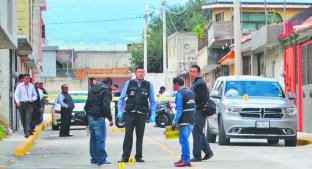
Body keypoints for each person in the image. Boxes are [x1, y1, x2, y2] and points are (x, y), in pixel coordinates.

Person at [117, 66, 156, 163]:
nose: (141, 73)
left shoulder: (148, 85)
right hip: (129, 113)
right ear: (135, 73)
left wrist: (153, 114)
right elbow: (121, 98)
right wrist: (120, 111)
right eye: (139, 72)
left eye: (142, 72)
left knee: (140, 136)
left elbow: (152, 101)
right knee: (128, 135)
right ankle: (125, 157)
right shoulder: (129, 83)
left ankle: (138, 157)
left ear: (144, 74)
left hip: (142, 114)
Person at [84, 78, 114, 166]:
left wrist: (88, 116)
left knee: (93, 139)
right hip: (99, 117)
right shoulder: (106, 90)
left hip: (90, 117)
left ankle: (94, 159)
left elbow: (87, 104)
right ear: (109, 83)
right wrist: (110, 119)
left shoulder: (92, 89)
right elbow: (106, 106)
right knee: (100, 139)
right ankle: (102, 159)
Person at [189, 65, 214, 162]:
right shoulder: (196, 82)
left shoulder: (199, 83)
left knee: (196, 132)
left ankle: (197, 156)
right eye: (190, 71)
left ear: (198, 73)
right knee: (199, 132)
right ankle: (208, 152)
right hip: (198, 110)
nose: (191, 73)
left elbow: (200, 99)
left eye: (193, 72)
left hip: (200, 111)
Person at [171, 77, 196, 167]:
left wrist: (174, 123)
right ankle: (183, 158)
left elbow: (179, 110)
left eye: (173, 84)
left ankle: (186, 160)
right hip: (192, 120)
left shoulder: (179, 94)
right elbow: (194, 107)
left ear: (176, 84)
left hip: (184, 121)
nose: (173, 86)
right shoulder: (190, 92)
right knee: (184, 141)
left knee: (184, 141)